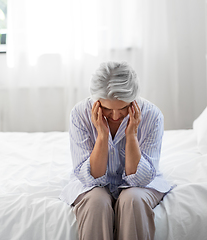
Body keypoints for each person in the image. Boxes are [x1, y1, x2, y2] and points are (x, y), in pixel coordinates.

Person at [60, 61, 173, 240]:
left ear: (133, 99)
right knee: (96, 201)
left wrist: (131, 136)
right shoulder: (80, 114)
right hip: (93, 186)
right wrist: (103, 136)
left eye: (122, 108)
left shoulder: (152, 115)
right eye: (105, 108)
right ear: (95, 100)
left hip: (140, 186)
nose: (115, 116)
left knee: (133, 199)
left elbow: (141, 179)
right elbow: (91, 178)